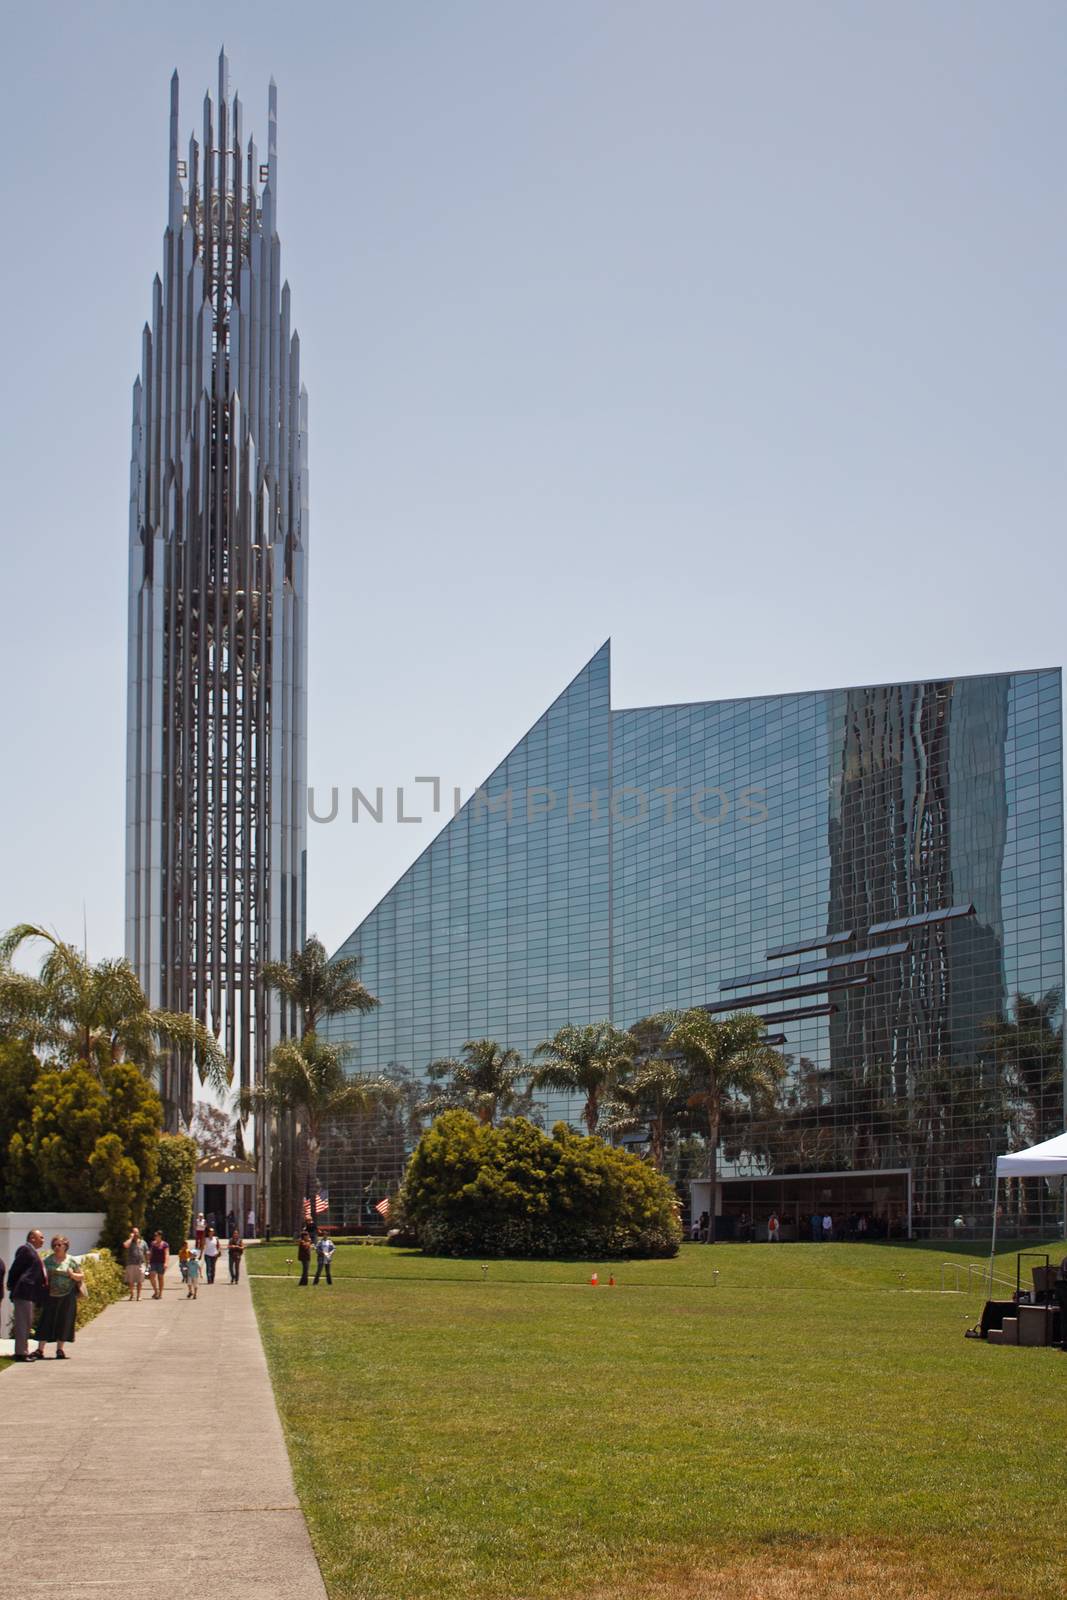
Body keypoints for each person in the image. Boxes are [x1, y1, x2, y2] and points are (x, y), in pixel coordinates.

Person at [34, 1236, 84, 1360]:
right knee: (46, 1320)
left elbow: (81, 1276)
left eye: (59, 1245)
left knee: (64, 1321)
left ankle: (60, 1349)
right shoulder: (48, 1261)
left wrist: (72, 1275)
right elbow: (41, 1276)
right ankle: (40, 1349)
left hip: (67, 1295)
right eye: (54, 1245)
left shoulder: (71, 1260)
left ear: (65, 1246)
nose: (56, 1247)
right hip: (51, 1295)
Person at [7, 1228, 48, 1361]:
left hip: (29, 1293)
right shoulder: (25, 1250)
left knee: (27, 1323)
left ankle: (23, 1350)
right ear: (32, 1238)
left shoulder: (33, 1252)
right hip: (23, 1292)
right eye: (40, 1237)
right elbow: (15, 1269)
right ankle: (20, 1353)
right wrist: (12, 1286)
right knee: (23, 1323)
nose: (43, 1240)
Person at [123, 1227, 147, 1301]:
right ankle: (132, 1295)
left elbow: (147, 1252)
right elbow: (125, 1245)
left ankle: (138, 1296)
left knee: (140, 1281)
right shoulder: (129, 1242)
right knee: (131, 1281)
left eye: (137, 1232)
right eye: (134, 1232)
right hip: (131, 1264)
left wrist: (148, 1262)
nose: (136, 1234)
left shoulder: (143, 1242)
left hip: (141, 1264)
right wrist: (131, 1238)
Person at [148, 1230, 169, 1297]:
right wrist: (148, 1261)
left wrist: (166, 1263)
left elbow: (166, 1254)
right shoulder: (152, 1243)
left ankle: (160, 1293)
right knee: (152, 1277)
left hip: (161, 1263)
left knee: (160, 1278)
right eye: (155, 1236)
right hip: (153, 1262)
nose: (155, 1237)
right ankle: (156, 1291)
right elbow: (150, 1253)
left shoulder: (165, 1244)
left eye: (156, 1235)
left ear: (160, 1236)